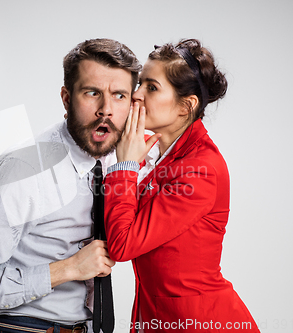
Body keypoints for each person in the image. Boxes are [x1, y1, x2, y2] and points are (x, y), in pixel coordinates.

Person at [0, 38, 141, 333]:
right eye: (92, 93)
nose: (106, 109)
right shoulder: (21, 171)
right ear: (66, 98)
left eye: (119, 96)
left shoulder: (117, 163)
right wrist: (69, 268)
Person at [103, 39, 260, 332]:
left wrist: (124, 167)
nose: (135, 95)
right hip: (161, 318)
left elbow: (123, 245)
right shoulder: (157, 154)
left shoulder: (200, 170)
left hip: (200, 323)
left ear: (185, 106)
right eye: (140, 84)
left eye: (151, 87)